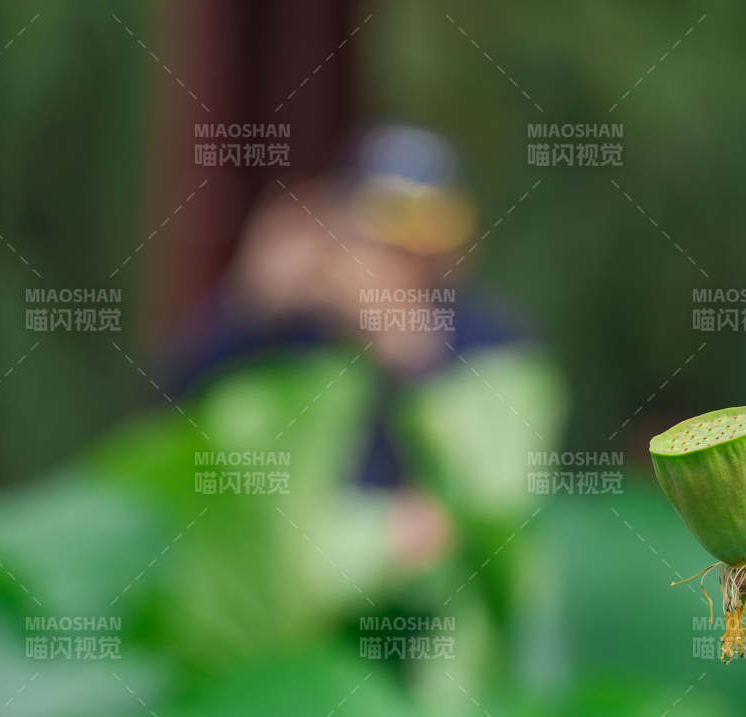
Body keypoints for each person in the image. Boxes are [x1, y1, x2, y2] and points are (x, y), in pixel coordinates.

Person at [172, 124, 526, 488]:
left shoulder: (489, 340)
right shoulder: (290, 332)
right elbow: (168, 420)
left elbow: (493, 488)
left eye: (422, 245)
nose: (400, 263)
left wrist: (413, 354)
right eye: (384, 243)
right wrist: (248, 307)